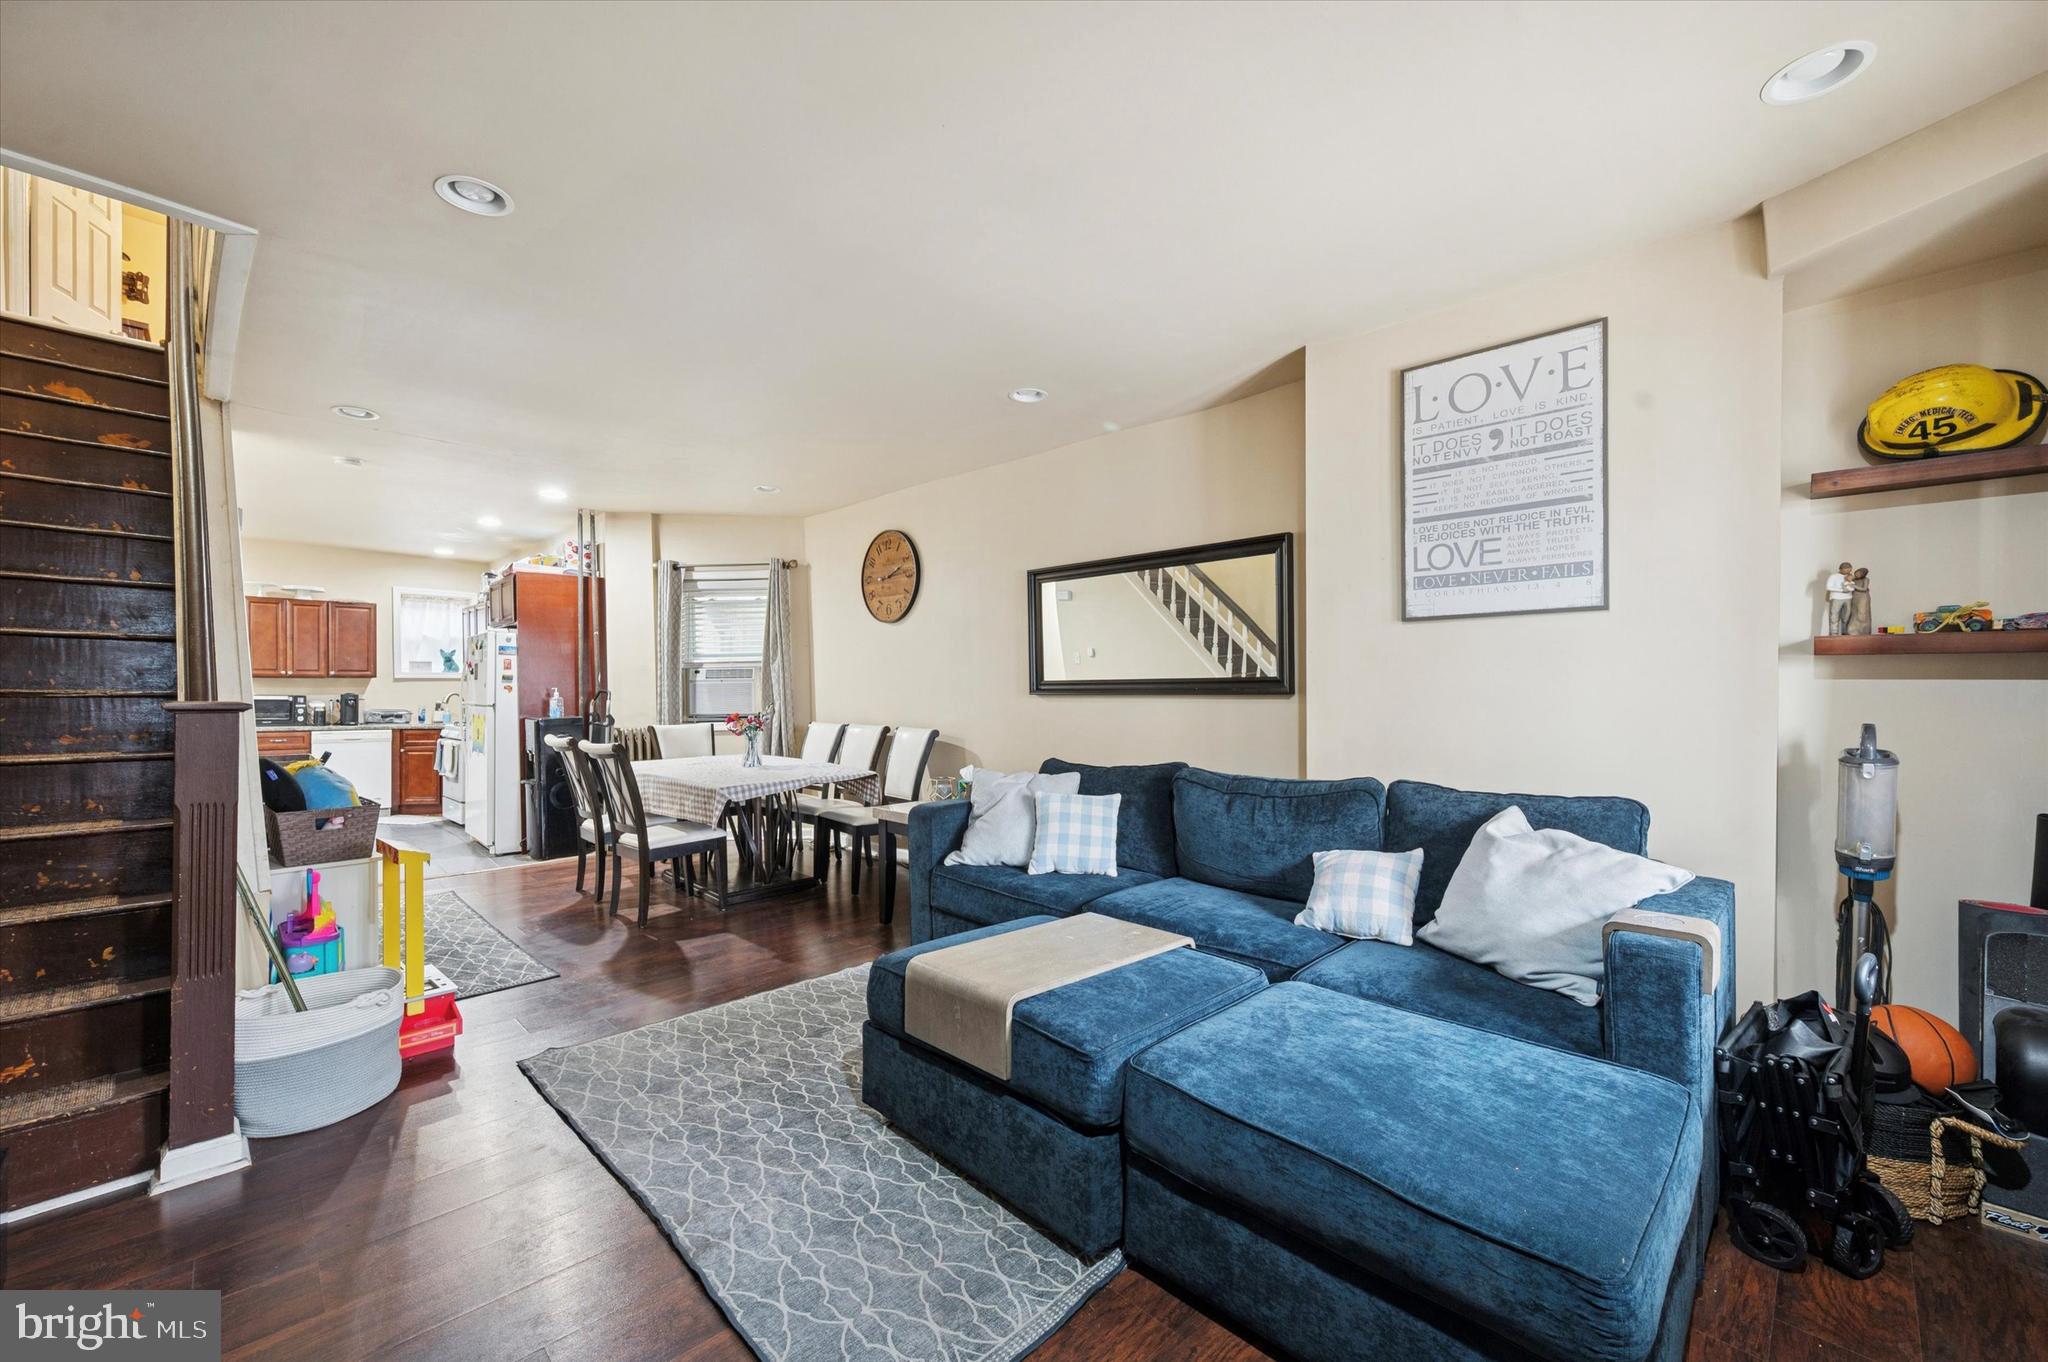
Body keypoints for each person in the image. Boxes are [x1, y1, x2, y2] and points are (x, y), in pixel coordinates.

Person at [1826, 562, 1854, 636]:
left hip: (1848, 598)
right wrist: (1842, 590)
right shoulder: (1833, 576)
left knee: (1846, 616)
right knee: (1834, 616)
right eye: (1847, 570)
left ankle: (1845, 632)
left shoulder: (1850, 576)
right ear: (1841, 569)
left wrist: (1851, 588)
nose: (1849, 571)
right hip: (1836, 598)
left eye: (1850, 570)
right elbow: (1829, 587)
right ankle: (1833, 633)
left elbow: (1852, 586)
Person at [1849, 567, 1873, 635]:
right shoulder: (1854, 579)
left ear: (1863, 574)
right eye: (1856, 573)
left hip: (1863, 598)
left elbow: (1864, 588)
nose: (1856, 575)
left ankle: (1863, 630)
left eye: (1859, 574)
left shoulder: (1866, 579)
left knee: (1862, 613)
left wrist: (1854, 586)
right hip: (1855, 597)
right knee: (1854, 613)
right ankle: (1853, 630)